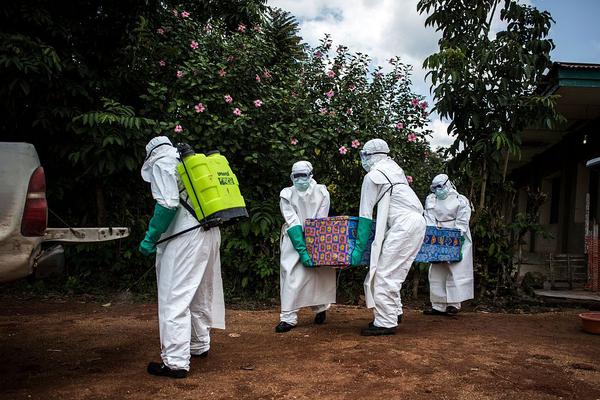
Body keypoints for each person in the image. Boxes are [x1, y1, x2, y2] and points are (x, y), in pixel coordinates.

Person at [139, 136, 225, 378]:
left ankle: (175, 362)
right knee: (198, 292)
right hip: (209, 230)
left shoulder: (162, 163)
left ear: (150, 154)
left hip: (187, 237)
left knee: (174, 296)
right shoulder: (188, 162)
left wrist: (150, 237)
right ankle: (199, 345)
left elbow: (167, 204)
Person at [351, 138, 426, 336]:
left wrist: (358, 248)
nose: (363, 160)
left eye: (364, 155)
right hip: (417, 223)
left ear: (372, 156)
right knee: (395, 272)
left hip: (404, 226)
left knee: (384, 273)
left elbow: (365, 215)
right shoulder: (395, 170)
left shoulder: (374, 176)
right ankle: (394, 312)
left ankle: (385, 322)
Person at [276, 160, 336, 333]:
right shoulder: (286, 194)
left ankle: (321, 307)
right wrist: (302, 250)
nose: (300, 179)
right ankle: (288, 317)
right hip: (292, 239)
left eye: (303, 175)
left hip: (317, 235)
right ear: (291, 176)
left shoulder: (322, 192)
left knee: (317, 274)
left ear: (311, 175)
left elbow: (320, 219)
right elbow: (292, 221)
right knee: (291, 275)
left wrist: (313, 244)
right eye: (296, 176)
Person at [423, 174, 474, 316]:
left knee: (455, 269)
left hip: (456, 235)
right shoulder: (431, 199)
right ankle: (438, 305)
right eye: (435, 187)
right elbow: (429, 218)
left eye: (440, 186)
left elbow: (462, 221)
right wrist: (434, 234)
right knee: (437, 269)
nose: (438, 190)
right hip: (437, 235)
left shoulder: (460, 200)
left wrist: (456, 238)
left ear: (448, 184)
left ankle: (454, 304)